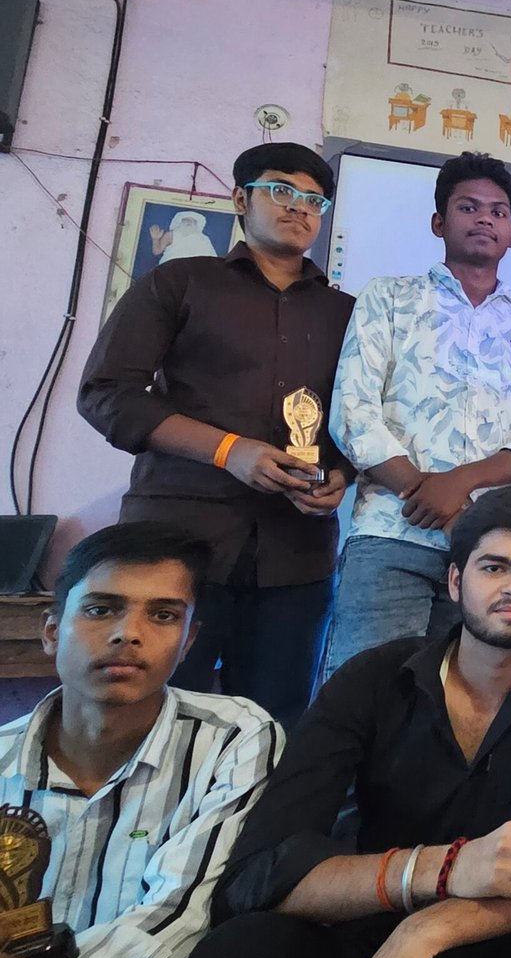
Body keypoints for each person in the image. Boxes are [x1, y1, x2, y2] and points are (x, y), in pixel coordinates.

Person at [160, 486, 511, 958]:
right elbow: (259, 873)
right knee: (245, 945)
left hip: (508, 941)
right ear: (456, 581)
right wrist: (445, 869)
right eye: (494, 567)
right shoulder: (374, 678)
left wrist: (427, 933)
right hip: (373, 935)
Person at [79, 142, 354, 723]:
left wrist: (341, 474)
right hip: (176, 546)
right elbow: (107, 393)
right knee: (150, 713)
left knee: (273, 722)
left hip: (297, 555)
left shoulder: (347, 313)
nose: (298, 206)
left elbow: (359, 417)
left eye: (314, 200)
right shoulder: (179, 283)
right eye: (280, 189)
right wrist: (229, 450)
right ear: (240, 199)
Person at [0, 522, 279, 958]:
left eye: (164, 615)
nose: (128, 634)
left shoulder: (233, 740)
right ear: (51, 631)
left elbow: (178, 914)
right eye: (100, 609)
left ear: (188, 642)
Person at [325, 151, 511, 678]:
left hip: (489, 553)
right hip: (391, 533)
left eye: (498, 212)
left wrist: (461, 485)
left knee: (463, 701)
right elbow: (353, 415)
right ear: (439, 222)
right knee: (366, 695)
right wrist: (428, 495)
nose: (484, 219)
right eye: (468, 207)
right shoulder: (389, 298)